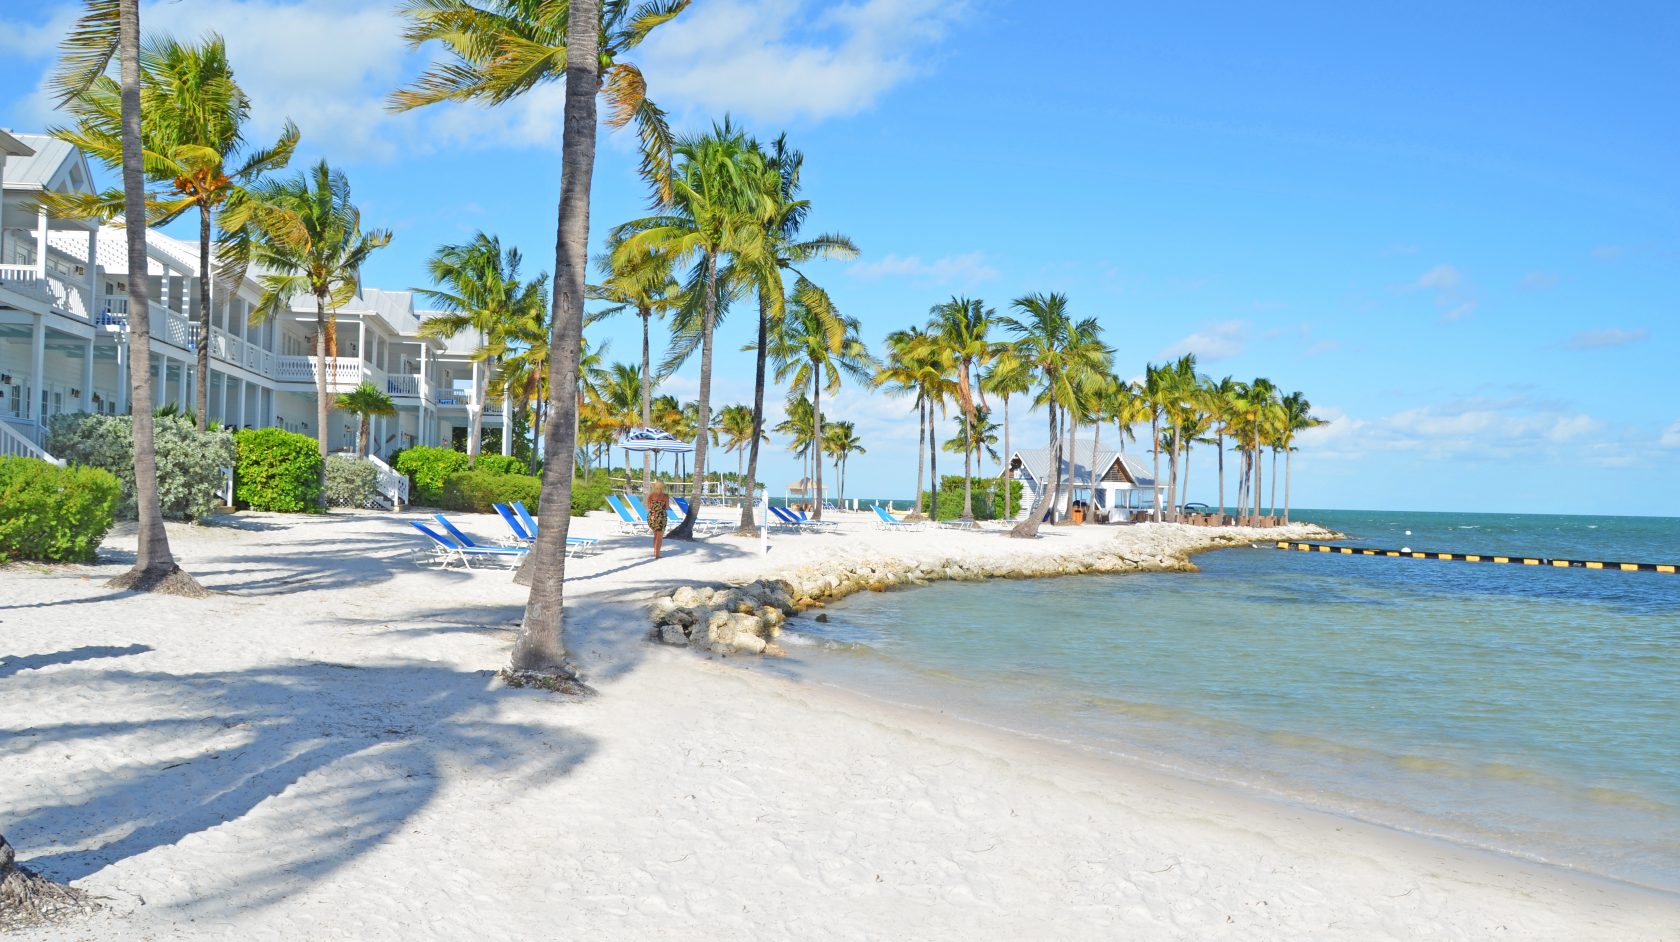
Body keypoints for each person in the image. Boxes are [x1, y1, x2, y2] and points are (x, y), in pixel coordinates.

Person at [646, 480, 670, 558]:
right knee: (659, 537)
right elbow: (667, 507)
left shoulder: (650, 495)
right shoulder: (665, 496)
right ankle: (657, 554)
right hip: (661, 517)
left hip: (652, 517)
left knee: (655, 535)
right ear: (663, 487)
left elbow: (649, 507)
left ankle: (655, 552)